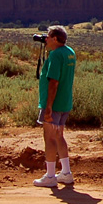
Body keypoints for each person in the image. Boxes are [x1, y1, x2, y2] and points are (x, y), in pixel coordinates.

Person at [33, 25, 77, 187]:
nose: (46, 39)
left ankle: (50, 176)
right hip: (65, 102)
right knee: (59, 136)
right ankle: (66, 172)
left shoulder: (56, 56)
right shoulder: (69, 53)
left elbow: (53, 82)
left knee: (49, 137)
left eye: (49, 37)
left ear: (56, 39)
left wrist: (48, 107)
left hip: (54, 103)